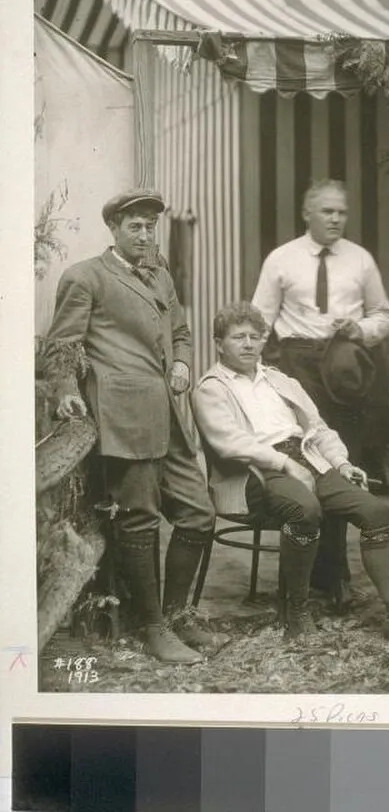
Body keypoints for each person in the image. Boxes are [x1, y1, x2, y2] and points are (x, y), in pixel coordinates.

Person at [43, 188, 221, 665]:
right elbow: (61, 345)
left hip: (167, 416)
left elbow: (180, 334)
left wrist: (181, 362)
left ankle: (177, 614)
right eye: (135, 226)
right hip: (123, 417)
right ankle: (153, 628)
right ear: (114, 229)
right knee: (139, 519)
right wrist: (66, 390)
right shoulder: (86, 276)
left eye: (150, 226)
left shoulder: (160, 275)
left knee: (198, 512)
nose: (145, 235)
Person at [191, 302, 389, 646]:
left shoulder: (281, 381)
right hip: (255, 471)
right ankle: (296, 613)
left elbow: (318, 428)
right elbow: (230, 443)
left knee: (375, 511)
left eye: (255, 336)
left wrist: (341, 463)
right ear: (219, 343)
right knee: (305, 509)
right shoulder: (211, 388)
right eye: (238, 337)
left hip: (307, 459)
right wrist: (284, 464)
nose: (248, 344)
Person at [252, 179, 389, 597]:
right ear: (307, 214)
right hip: (296, 365)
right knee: (304, 463)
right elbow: (259, 322)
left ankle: (335, 577)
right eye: (327, 211)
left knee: (340, 464)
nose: (335, 219)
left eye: (341, 212)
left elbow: (384, 315)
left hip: (345, 366)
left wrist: (360, 329)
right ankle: (309, 576)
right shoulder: (281, 259)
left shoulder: (360, 260)